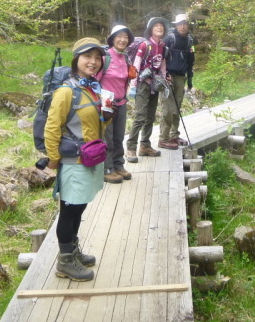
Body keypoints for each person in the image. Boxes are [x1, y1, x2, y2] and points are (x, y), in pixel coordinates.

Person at [43, 37, 110, 282]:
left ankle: (73, 251)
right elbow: (52, 127)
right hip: (74, 161)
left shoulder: (92, 87)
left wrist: (107, 113)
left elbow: (98, 125)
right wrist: (53, 158)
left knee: (79, 207)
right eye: (87, 57)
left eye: (96, 58)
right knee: (69, 211)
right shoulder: (66, 91)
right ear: (76, 60)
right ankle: (65, 261)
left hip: (90, 157)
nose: (92, 62)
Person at [95, 25, 135, 184]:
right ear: (112, 39)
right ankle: (107, 168)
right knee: (107, 138)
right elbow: (94, 81)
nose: (123, 39)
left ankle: (119, 165)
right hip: (106, 104)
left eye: (125, 37)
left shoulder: (126, 58)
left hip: (122, 102)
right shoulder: (105, 58)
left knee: (119, 137)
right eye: (119, 36)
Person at [125, 17, 169, 163]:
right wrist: (133, 85)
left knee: (150, 117)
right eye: (156, 25)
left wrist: (164, 80)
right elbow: (136, 65)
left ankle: (145, 146)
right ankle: (131, 147)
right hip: (143, 83)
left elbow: (162, 65)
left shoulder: (163, 46)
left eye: (161, 26)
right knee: (140, 116)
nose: (159, 27)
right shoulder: (145, 45)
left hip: (155, 84)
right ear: (151, 29)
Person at [158, 13, 196, 149]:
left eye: (185, 23)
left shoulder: (190, 41)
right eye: (180, 24)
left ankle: (174, 135)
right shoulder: (169, 39)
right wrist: (164, 73)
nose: (183, 26)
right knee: (167, 108)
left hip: (181, 76)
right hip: (167, 77)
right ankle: (163, 138)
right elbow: (160, 57)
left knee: (177, 108)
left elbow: (191, 60)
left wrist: (190, 79)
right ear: (176, 25)